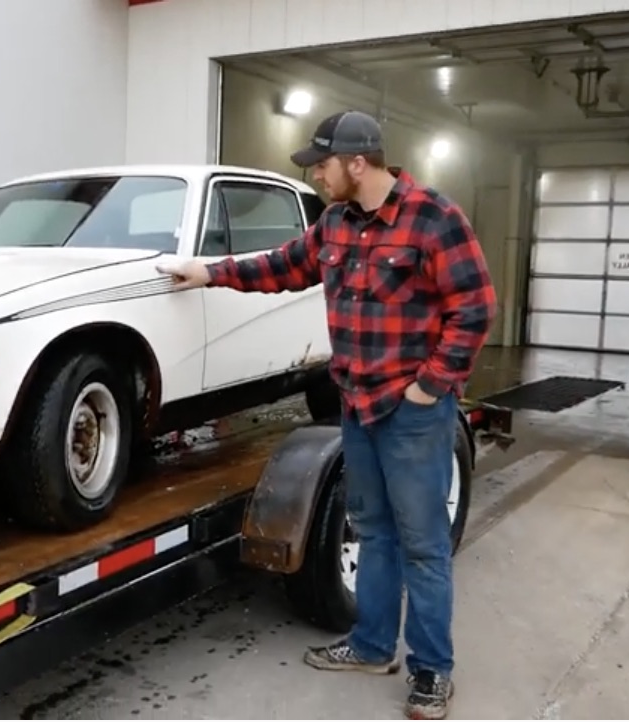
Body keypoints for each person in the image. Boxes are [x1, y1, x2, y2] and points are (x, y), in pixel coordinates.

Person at [156, 109, 496, 720]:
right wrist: (207, 272)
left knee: (422, 543)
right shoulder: (336, 224)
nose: (316, 177)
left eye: (322, 166)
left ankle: (430, 670)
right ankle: (371, 646)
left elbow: (474, 309)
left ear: (357, 162)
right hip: (358, 407)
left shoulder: (434, 218)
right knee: (372, 530)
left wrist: (430, 386)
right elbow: (282, 267)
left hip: (413, 412)